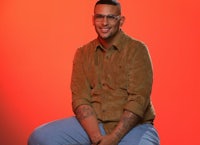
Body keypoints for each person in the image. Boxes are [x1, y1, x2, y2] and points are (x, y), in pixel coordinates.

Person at [28, 0, 160, 145]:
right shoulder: (83, 53)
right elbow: (80, 99)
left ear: (121, 21)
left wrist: (113, 138)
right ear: (93, 20)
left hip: (135, 127)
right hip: (94, 124)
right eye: (99, 17)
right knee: (40, 137)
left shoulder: (137, 50)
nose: (104, 22)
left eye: (111, 17)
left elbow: (138, 101)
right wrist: (96, 137)